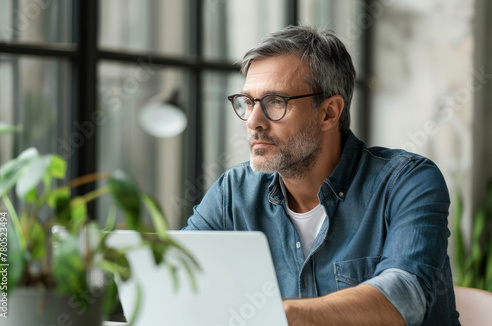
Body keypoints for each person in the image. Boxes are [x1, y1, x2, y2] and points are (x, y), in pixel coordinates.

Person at [183, 25, 459, 326]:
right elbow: (174, 277)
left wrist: (283, 316)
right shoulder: (233, 193)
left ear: (329, 112)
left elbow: (405, 295)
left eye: (276, 102)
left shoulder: (407, 181)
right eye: (248, 102)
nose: (253, 121)